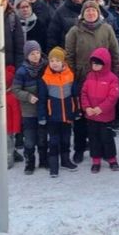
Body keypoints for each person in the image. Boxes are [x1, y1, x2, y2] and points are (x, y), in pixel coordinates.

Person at [65, 0, 119, 163]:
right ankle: (80, 149)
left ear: (98, 13)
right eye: (87, 10)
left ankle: (105, 150)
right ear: (83, 14)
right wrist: (73, 77)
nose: (90, 13)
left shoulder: (107, 29)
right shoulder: (74, 31)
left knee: (103, 117)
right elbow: (69, 56)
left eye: (93, 10)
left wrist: (115, 76)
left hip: (105, 80)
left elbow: (115, 53)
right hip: (83, 79)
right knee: (82, 117)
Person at [38, 47, 80, 178]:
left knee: (66, 139)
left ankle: (66, 160)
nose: (54, 63)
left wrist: (77, 111)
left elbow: (75, 95)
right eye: (51, 60)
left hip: (67, 115)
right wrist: (42, 115)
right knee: (54, 141)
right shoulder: (45, 78)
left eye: (57, 60)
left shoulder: (70, 75)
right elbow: (42, 99)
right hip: (53, 117)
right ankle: (54, 165)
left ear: (63, 62)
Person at [80, 48, 119, 173]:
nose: (95, 66)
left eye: (98, 63)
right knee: (93, 139)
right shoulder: (89, 76)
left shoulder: (112, 78)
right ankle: (95, 160)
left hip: (105, 116)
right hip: (91, 116)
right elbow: (84, 94)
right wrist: (87, 108)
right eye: (93, 63)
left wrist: (101, 108)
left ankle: (112, 159)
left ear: (105, 64)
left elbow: (113, 97)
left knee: (107, 138)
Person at [13, 41, 48, 174]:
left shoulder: (45, 67)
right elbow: (16, 90)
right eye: (32, 54)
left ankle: (43, 160)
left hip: (43, 110)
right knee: (29, 140)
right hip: (28, 112)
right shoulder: (22, 71)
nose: (35, 56)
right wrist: (28, 96)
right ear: (27, 55)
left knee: (43, 137)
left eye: (37, 53)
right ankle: (30, 163)